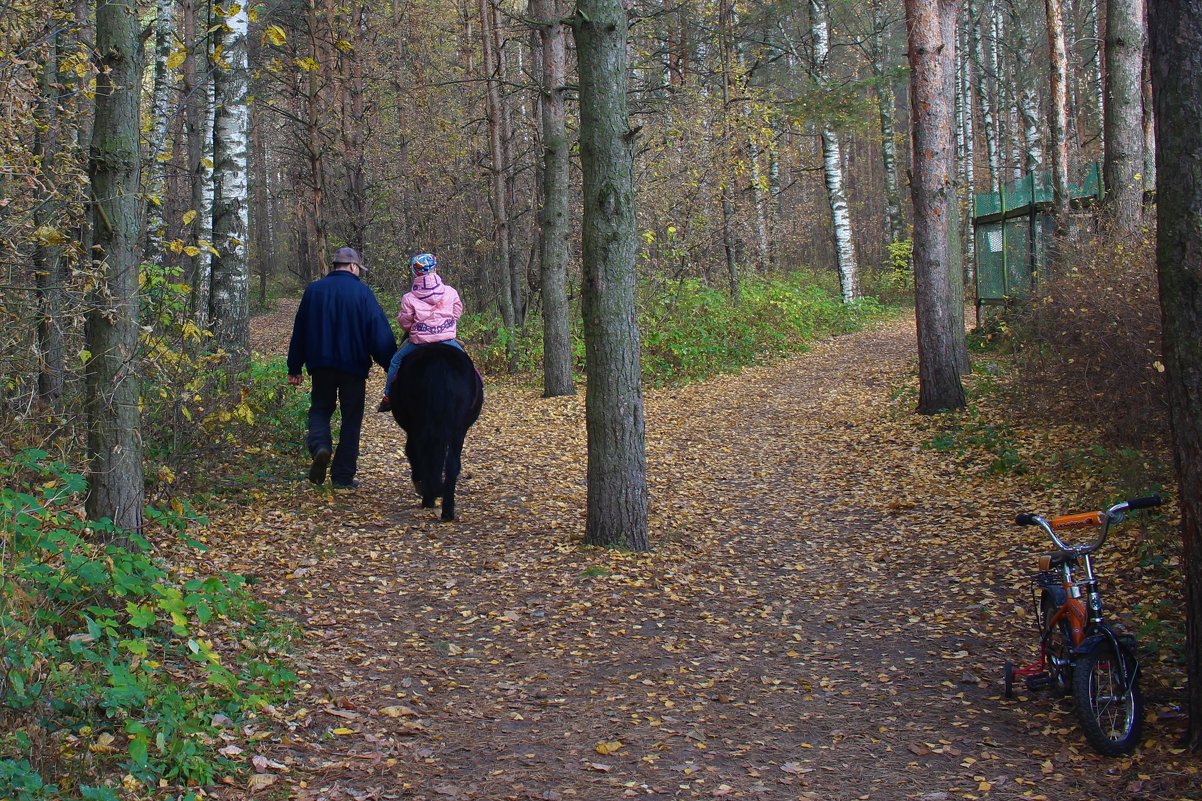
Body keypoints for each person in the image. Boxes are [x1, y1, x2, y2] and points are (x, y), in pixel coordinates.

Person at [287, 246, 396, 490]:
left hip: (321, 365)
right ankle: (343, 477)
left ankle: (320, 446)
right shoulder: (362, 293)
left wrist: (294, 367)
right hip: (353, 368)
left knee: (320, 409)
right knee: (351, 419)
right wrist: (393, 365)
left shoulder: (313, 291)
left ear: (334, 266)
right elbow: (378, 333)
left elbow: (300, 331)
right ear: (353, 267)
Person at [377, 252, 465, 413]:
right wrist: (446, 323)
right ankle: (476, 390)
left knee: (395, 361)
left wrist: (415, 328)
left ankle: (388, 395)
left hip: (419, 343)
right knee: (466, 364)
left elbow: (405, 323)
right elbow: (457, 311)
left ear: (414, 272)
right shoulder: (450, 291)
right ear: (435, 268)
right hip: (447, 340)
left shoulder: (409, 298)